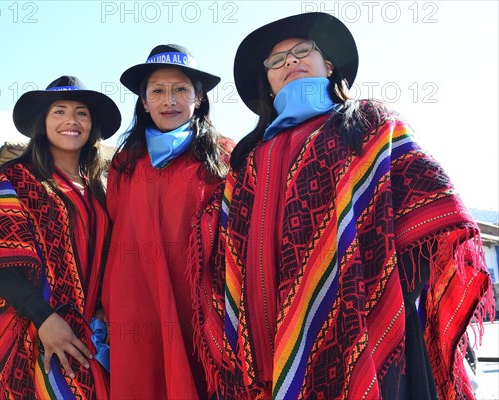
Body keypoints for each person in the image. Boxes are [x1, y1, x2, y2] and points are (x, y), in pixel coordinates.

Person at [187, 12, 495, 399]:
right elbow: (225, 241)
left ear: (328, 66)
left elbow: (435, 203)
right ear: (267, 81)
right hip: (264, 337)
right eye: (277, 61)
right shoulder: (247, 160)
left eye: (303, 52)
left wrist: (388, 288)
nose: (290, 62)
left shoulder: (368, 122)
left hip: (366, 317)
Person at [0, 76, 121, 399]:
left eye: (81, 113)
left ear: (92, 125)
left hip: (83, 333)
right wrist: (44, 319)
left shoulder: (97, 193)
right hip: (21, 328)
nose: (71, 121)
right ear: (42, 123)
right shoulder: (16, 180)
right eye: (59, 112)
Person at [101, 44, 234, 399]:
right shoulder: (124, 163)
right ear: (144, 102)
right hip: (136, 304)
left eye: (180, 89)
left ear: (199, 97)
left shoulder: (223, 156)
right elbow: (114, 231)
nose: (169, 100)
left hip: (200, 305)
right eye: (157, 91)